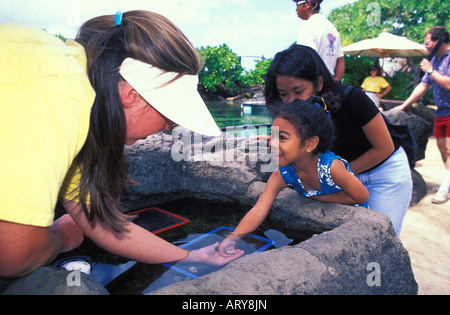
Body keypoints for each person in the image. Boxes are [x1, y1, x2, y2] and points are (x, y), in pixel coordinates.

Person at [0, 11, 243, 294]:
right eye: (170, 116)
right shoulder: (62, 92)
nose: (168, 127)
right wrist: (60, 238)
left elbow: (100, 222)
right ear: (132, 94)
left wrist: (190, 256)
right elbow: (13, 254)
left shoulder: (77, 93)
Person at [264, 45, 412, 236]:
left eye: (298, 91)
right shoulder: (291, 116)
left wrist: (337, 174)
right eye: (284, 94)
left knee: (381, 236)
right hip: (344, 174)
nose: (292, 101)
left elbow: (384, 148)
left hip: (384, 173)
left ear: (318, 83)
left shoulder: (353, 98)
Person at [218, 99, 369, 255]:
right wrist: (232, 237)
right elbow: (258, 210)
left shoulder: (331, 168)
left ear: (310, 144)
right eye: (272, 136)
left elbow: (361, 196)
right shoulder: (282, 175)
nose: (272, 144)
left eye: (282, 137)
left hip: (351, 230)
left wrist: (320, 198)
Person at [392, 26, 450, 204]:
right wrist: (403, 105)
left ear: (439, 40)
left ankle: (445, 188)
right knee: (441, 146)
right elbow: (422, 87)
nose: (425, 46)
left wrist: (431, 70)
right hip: (442, 110)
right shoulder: (437, 59)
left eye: (427, 42)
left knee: (448, 147)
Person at [294, 0, 345, 82]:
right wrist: (336, 83)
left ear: (308, 4)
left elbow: (306, 59)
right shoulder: (332, 28)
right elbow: (340, 60)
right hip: (330, 84)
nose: (296, 9)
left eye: (297, 5)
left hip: (314, 83)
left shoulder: (307, 27)